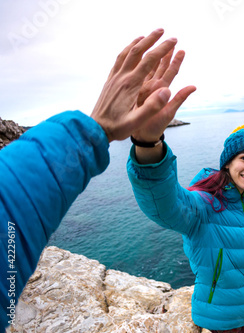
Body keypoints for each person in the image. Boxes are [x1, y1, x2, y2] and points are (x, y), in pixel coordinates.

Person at [0, 28, 196, 330]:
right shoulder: (212, 204)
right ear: (227, 163)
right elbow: (167, 207)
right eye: (243, 158)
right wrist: (142, 144)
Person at [127, 110, 244, 329]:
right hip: (223, 313)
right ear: (227, 163)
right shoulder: (203, 205)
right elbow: (167, 205)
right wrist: (148, 145)